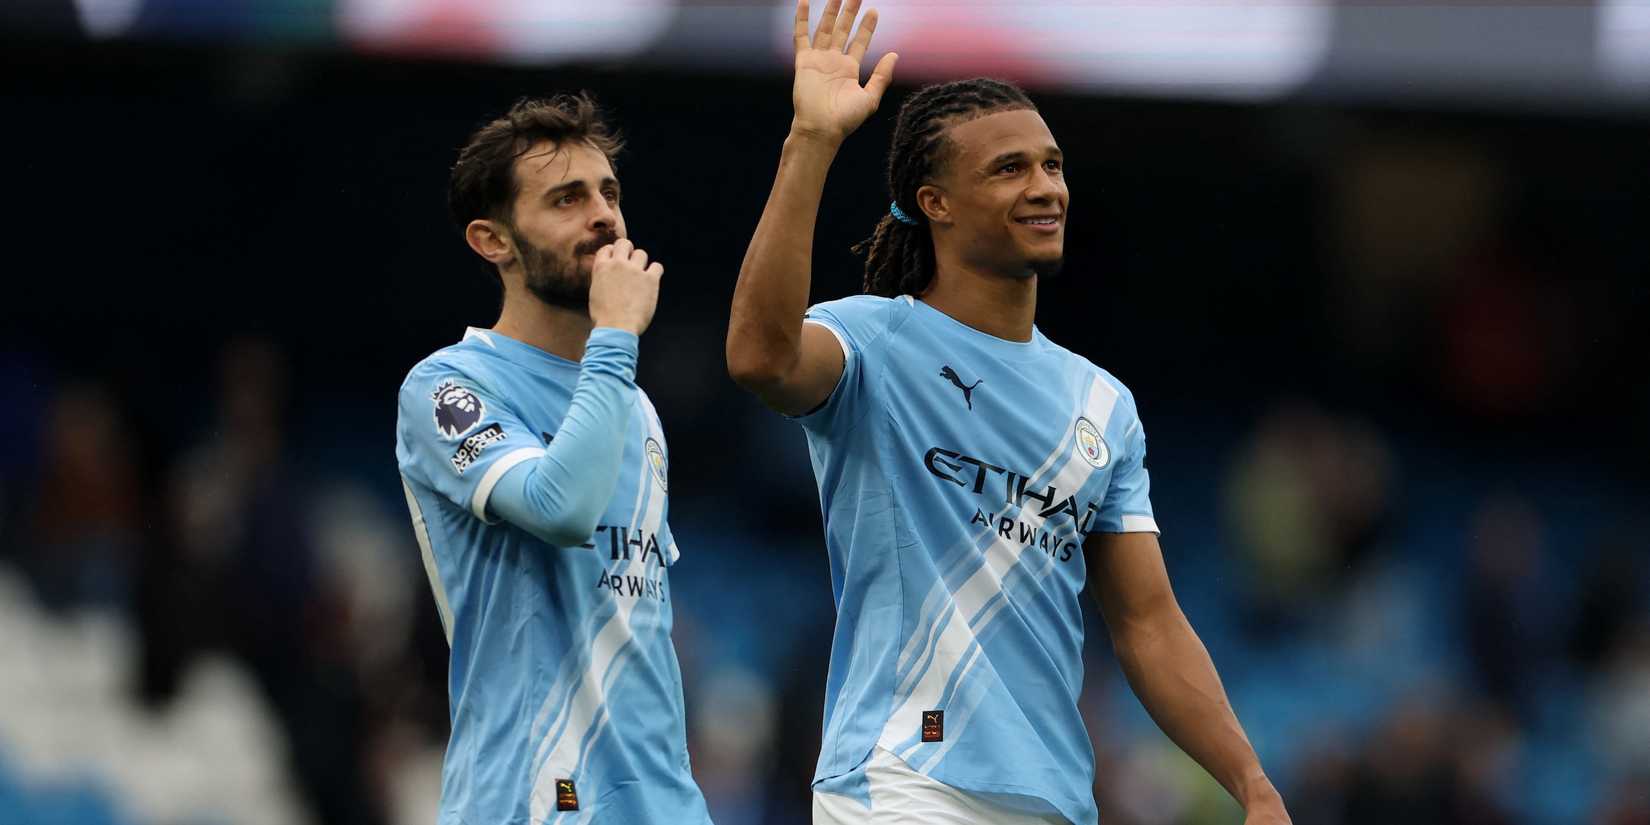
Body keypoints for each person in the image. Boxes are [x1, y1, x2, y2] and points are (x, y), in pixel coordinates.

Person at [725, 2, 1293, 824]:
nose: (1045, 188)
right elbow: (760, 357)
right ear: (937, 202)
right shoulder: (874, 340)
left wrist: (1251, 780)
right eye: (1009, 169)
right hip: (898, 784)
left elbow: (1148, 623)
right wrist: (810, 141)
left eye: (1053, 165)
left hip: (1053, 798)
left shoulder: (1102, 403)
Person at [395, 93, 712, 825]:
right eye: (567, 199)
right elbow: (560, 507)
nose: (603, 216)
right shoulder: (449, 385)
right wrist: (616, 337)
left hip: (665, 805)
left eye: (609, 193)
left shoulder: (633, 406)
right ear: (492, 240)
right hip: (533, 799)